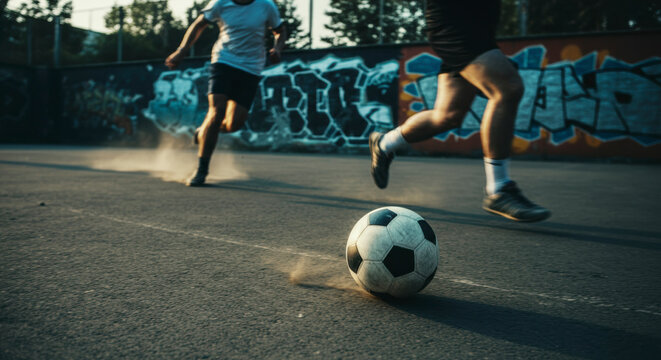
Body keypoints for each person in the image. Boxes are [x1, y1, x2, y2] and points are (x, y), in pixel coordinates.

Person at [369, 0, 550, 222]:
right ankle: (499, 189)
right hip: (456, 25)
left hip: (478, 28)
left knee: (447, 116)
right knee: (507, 88)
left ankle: (385, 143)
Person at [165, 0, 287, 186]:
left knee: (234, 124)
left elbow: (279, 30)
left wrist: (277, 48)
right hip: (224, 61)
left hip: (251, 67)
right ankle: (202, 170)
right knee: (216, 112)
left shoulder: (266, 5)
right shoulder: (221, 3)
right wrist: (182, 50)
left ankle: (203, 131)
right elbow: (199, 24)